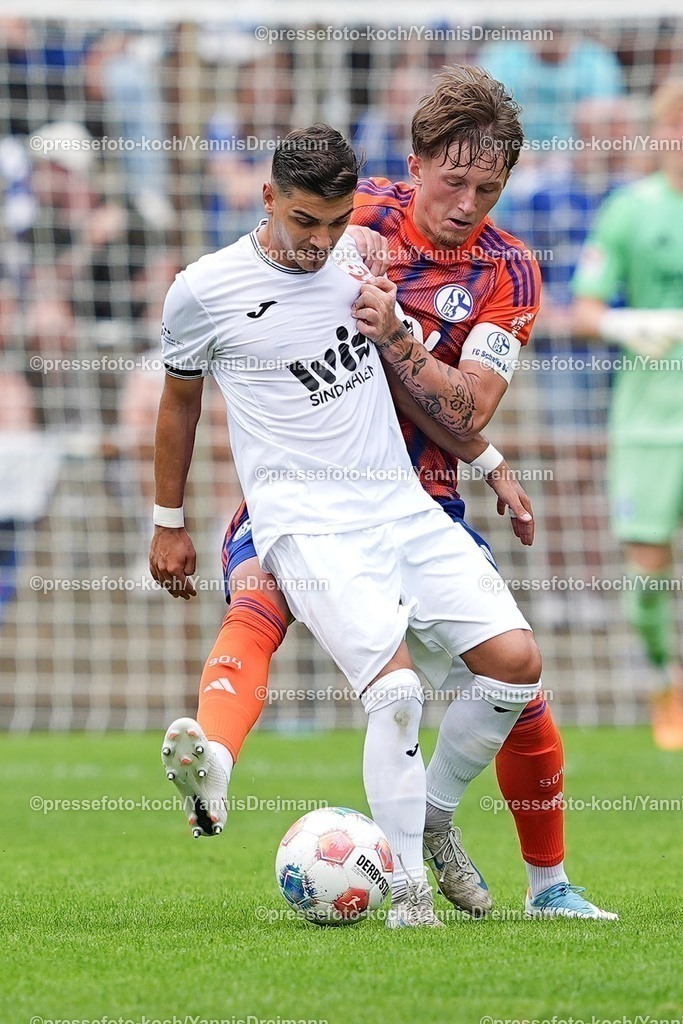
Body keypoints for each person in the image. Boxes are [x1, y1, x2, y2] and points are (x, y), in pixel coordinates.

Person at [155, 68, 618, 921]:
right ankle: (218, 765)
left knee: (516, 682)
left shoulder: (508, 271)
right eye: (451, 181)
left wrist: (477, 447)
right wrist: (169, 516)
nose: (466, 202)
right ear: (411, 167)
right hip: (304, 490)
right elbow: (254, 283)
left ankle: (511, 864)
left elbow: (468, 408)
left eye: (488, 187)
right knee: (260, 595)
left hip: (419, 490)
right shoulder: (348, 212)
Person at [572, 78, 683, 751]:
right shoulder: (628, 210)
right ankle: (662, 685)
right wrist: (631, 324)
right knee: (644, 570)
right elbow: (583, 310)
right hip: (647, 419)